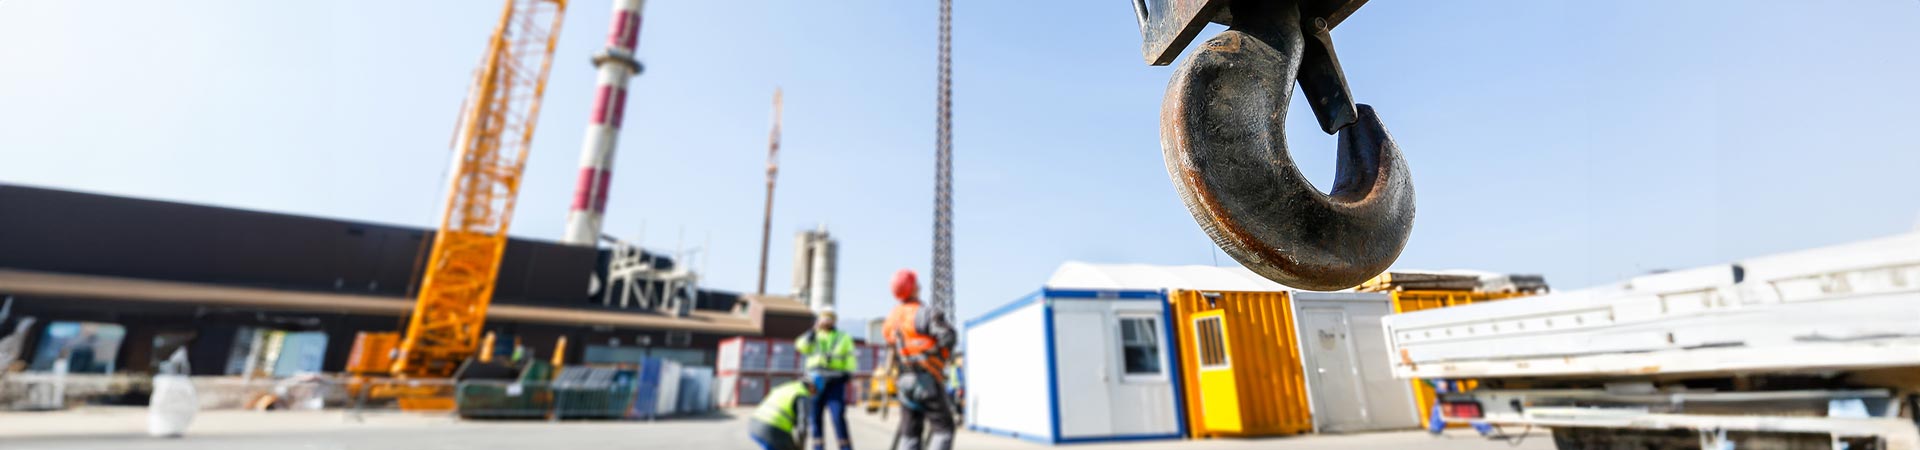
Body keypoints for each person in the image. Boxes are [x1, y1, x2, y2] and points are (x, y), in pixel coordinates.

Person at [880, 269, 956, 450]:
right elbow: (948, 336)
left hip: (904, 382)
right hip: (926, 379)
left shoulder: (891, 319)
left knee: (911, 434)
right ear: (913, 288)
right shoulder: (924, 313)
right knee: (943, 430)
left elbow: (891, 349)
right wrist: (935, 356)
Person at [795, 309, 857, 450]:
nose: (827, 321)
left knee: (838, 417)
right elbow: (800, 346)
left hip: (835, 381)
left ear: (834, 321)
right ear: (819, 320)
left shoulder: (843, 337)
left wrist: (847, 374)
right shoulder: (813, 336)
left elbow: (850, 357)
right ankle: (818, 447)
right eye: (824, 318)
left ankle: (845, 447)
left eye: (830, 318)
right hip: (814, 381)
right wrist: (812, 331)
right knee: (815, 417)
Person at [750, 379, 815, 450]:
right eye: (814, 392)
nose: (812, 396)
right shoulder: (802, 395)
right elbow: (802, 428)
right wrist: (801, 448)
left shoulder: (788, 387)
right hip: (771, 429)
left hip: (755, 424)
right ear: (811, 386)